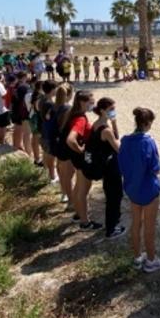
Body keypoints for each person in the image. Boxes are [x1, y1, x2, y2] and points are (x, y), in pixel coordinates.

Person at [118, 107, 160, 272]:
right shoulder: (148, 141)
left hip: (132, 188)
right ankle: (151, 260)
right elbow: (154, 167)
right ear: (147, 123)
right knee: (150, 227)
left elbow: (122, 162)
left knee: (136, 223)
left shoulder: (125, 140)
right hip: (148, 188)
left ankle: (137, 256)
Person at [86, 97, 125, 239]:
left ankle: (114, 222)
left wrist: (114, 123)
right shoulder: (105, 130)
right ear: (102, 111)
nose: (113, 112)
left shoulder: (96, 124)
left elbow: (114, 137)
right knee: (115, 196)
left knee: (111, 194)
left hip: (104, 165)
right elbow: (118, 147)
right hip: (110, 167)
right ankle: (112, 228)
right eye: (111, 110)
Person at [62, 90, 99, 230]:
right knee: (83, 189)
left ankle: (78, 214)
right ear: (82, 102)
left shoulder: (73, 114)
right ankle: (85, 222)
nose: (93, 105)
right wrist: (80, 149)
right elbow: (70, 139)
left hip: (74, 158)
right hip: (80, 158)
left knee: (78, 186)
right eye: (91, 102)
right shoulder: (80, 119)